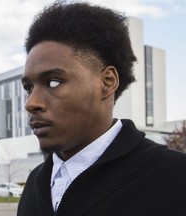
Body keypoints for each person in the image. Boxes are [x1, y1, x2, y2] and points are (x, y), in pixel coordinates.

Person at [17, 1, 186, 216]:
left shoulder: (175, 178)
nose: (31, 103)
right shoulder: (35, 183)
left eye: (53, 82)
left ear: (107, 82)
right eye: (28, 87)